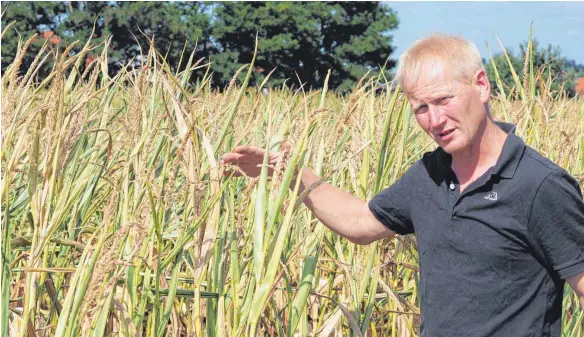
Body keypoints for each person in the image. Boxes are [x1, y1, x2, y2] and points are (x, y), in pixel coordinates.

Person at [220, 34, 584, 337]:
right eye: (421, 108)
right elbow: (360, 222)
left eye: (444, 100)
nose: (435, 119)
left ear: (481, 85)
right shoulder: (428, 175)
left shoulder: (539, 185)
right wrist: (293, 174)